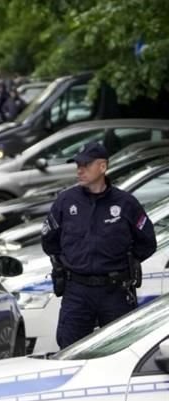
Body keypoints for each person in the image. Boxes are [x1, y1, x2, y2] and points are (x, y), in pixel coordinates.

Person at [41, 142, 156, 349]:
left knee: (121, 350)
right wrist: (70, 261)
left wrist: (123, 262)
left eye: (85, 165)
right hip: (77, 290)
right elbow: (49, 241)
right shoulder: (66, 201)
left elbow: (147, 242)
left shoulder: (125, 203)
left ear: (102, 167)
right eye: (77, 165)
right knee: (69, 349)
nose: (79, 170)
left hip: (115, 291)